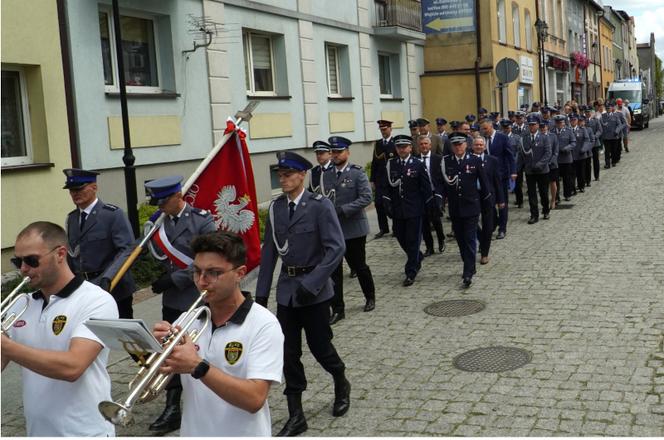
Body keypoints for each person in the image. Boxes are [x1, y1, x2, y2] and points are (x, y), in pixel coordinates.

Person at [255, 151, 350, 437]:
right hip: (287, 292)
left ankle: (340, 381)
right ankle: (296, 414)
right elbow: (270, 252)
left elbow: (336, 248)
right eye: (279, 176)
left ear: (302, 175)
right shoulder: (276, 209)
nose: (282, 180)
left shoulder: (320, 206)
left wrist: (314, 283)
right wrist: (261, 296)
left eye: (287, 175)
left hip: (314, 292)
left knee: (321, 348)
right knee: (287, 353)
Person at [153, 231, 284, 437]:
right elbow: (155, 384)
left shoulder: (264, 324)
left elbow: (254, 399)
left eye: (213, 273)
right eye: (197, 272)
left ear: (240, 273)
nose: (202, 281)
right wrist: (152, 350)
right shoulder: (188, 319)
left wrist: (198, 366)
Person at [1, 221, 118, 437]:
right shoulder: (20, 304)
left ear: (60, 254)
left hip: (85, 431)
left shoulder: (96, 301)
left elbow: (72, 367)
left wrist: (6, 345)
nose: (23, 269)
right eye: (18, 261)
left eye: (31, 260)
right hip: (38, 432)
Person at [143, 175, 216, 433]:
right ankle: (172, 406)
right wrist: (158, 276)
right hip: (173, 299)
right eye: (157, 203)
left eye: (163, 201)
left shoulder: (202, 219)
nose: (159, 207)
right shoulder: (157, 224)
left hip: (199, 295)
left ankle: (210, 392)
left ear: (178, 197)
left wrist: (173, 278)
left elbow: (208, 258)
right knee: (170, 349)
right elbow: (158, 257)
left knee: (202, 347)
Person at [62, 168, 136, 319]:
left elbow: (127, 250)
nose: (74, 193)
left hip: (113, 287)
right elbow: (72, 255)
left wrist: (107, 278)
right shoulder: (72, 219)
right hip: (84, 289)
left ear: (94, 187)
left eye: (79, 189)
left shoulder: (112, 215)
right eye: (71, 190)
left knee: (119, 334)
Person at [324, 136, 376, 325]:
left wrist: (344, 210)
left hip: (354, 229)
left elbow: (366, 197)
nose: (336, 155)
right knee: (334, 271)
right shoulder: (326, 174)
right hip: (333, 231)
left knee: (359, 266)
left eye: (339, 152)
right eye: (333, 152)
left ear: (347, 152)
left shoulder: (357, 173)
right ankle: (338, 308)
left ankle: (370, 296)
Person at [381, 135, 433, 287]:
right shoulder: (391, 164)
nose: (402, 149)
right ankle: (417, 256)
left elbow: (426, 187)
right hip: (397, 210)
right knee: (400, 237)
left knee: (413, 240)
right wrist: (386, 203)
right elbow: (385, 186)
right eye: (399, 147)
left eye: (404, 147)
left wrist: (429, 206)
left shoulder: (417, 164)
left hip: (414, 209)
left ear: (410, 148)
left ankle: (411, 271)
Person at [441, 133, 490, 287]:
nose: (458, 147)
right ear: (451, 147)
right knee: (461, 240)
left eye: (460, 144)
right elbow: (442, 184)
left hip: (471, 206)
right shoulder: (446, 162)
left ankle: (467, 272)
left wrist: (487, 203)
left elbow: (484, 183)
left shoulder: (474, 160)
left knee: (469, 239)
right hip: (455, 208)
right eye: (455, 145)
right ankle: (469, 264)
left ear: (466, 145)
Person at [480, 120, 516, 239]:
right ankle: (494, 223)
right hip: (486, 176)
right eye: (482, 129)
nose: (484, 131)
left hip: (501, 175)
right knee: (489, 202)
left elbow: (510, 156)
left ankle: (502, 228)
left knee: (502, 202)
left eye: (485, 128)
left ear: (491, 127)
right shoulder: (482, 140)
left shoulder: (502, 138)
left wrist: (513, 172)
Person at [471, 137, 504, 265]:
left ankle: (485, 253)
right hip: (473, 196)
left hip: (489, 196)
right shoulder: (469, 160)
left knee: (488, 225)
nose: (479, 147)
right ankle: (481, 239)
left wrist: (501, 199)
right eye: (476, 145)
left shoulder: (492, 161)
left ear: (484, 147)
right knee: (472, 222)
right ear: (472, 146)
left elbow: (497, 182)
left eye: (481, 145)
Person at [518, 116, 552, 224]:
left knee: (544, 193)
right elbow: (521, 154)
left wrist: (540, 164)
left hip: (542, 170)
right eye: (530, 125)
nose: (531, 127)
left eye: (533, 124)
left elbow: (548, 153)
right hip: (529, 171)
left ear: (538, 125)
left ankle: (546, 210)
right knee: (532, 194)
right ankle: (534, 215)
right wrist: (518, 168)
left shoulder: (544, 137)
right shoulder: (525, 138)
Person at [416, 135, 446, 257]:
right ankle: (429, 246)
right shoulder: (415, 160)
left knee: (436, 220)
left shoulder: (438, 159)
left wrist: (441, 195)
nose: (424, 146)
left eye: (426, 144)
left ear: (430, 145)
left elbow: (442, 178)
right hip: (421, 195)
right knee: (424, 222)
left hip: (435, 193)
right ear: (418, 146)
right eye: (421, 144)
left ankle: (441, 240)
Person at [370, 120, 396, 239]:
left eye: (385, 129)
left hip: (392, 179)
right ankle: (383, 228)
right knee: (378, 204)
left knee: (392, 203)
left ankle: (396, 227)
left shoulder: (395, 142)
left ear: (390, 129)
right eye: (381, 130)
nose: (383, 132)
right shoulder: (378, 144)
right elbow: (375, 162)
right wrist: (372, 179)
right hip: (380, 179)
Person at [553, 114, 576, 202]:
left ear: (564, 123)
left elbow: (573, 143)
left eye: (561, 122)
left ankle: (567, 194)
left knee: (567, 178)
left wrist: (566, 148)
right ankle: (556, 196)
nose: (559, 124)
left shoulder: (569, 131)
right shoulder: (552, 132)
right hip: (555, 160)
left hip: (566, 158)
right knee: (555, 179)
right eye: (557, 123)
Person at [503, 119, 524, 208]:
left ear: (511, 127)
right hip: (504, 164)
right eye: (504, 128)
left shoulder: (516, 137)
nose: (506, 129)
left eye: (507, 127)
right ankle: (504, 202)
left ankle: (520, 201)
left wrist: (514, 162)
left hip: (515, 164)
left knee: (517, 185)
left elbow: (519, 151)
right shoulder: (501, 137)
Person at [541, 121, 559, 210]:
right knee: (543, 184)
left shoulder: (553, 136)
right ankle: (544, 202)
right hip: (541, 165)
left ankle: (553, 199)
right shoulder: (538, 136)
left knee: (553, 182)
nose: (543, 129)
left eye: (544, 127)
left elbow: (555, 151)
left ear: (547, 127)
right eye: (541, 128)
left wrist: (550, 162)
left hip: (552, 163)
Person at [600, 101, 625, 169]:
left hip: (614, 136)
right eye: (607, 108)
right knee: (607, 151)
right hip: (606, 137)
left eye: (609, 108)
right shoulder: (603, 116)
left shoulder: (616, 115)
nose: (608, 109)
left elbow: (619, 125)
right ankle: (607, 164)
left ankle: (613, 161)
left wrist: (616, 131)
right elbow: (601, 125)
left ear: (611, 108)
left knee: (614, 150)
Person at [569, 114, 588, 195]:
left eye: (575, 120)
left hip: (580, 154)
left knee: (581, 172)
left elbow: (587, 140)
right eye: (572, 120)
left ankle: (581, 186)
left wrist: (583, 149)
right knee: (572, 173)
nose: (573, 122)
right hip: (571, 155)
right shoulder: (568, 130)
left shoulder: (582, 129)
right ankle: (572, 188)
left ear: (577, 121)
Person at [584, 105, 603, 182]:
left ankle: (596, 176)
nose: (587, 113)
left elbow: (600, 130)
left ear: (591, 112)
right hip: (586, 144)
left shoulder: (595, 120)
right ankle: (587, 178)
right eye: (586, 112)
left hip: (595, 143)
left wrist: (595, 136)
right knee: (587, 161)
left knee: (596, 160)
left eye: (589, 112)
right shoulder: (583, 121)